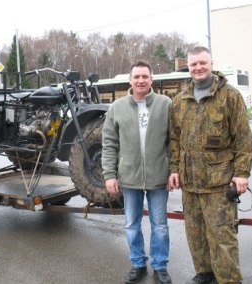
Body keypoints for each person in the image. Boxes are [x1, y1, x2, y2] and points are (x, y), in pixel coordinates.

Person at [168, 46, 252, 284]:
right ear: (188, 66)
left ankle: (228, 279)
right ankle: (205, 273)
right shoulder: (180, 101)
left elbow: (243, 140)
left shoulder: (230, 96)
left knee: (222, 235)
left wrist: (241, 174)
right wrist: (174, 169)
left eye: (202, 63)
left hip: (219, 182)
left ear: (211, 63)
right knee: (195, 234)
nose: (198, 68)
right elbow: (174, 139)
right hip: (190, 182)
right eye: (194, 64)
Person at [102, 60, 172, 284]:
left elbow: (174, 141)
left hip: (158, 177)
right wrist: (109, 175)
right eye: (136, 77)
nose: (141, 80)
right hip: (129, 177)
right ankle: (138, 264)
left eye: (145, 76)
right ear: (130, 80)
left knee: (160, 225)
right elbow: (109, 144)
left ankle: (160, 266)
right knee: (131, 224)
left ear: (151, 79)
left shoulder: (166, 104)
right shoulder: (117, 108)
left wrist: (174, 170)